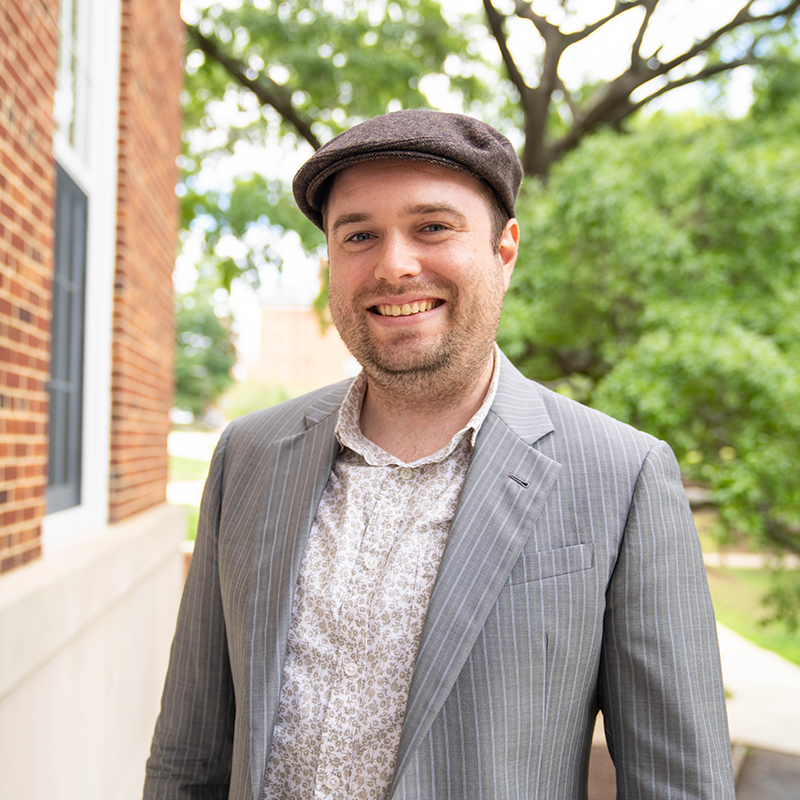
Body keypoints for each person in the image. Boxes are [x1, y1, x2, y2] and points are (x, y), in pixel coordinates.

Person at [144, 110, 735, 799]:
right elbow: (189, 755)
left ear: (505, 250)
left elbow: (680, 784)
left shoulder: (622, 477)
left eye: (432, 227)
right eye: (359, 235)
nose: (394, 264)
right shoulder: (247, 456)